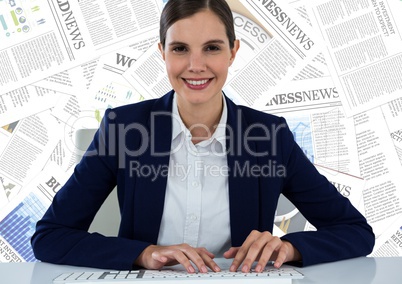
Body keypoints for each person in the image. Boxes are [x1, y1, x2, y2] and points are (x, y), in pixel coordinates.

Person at [31, 0, 374, 273]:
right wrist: (143, 254)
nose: (196, 65)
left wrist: (291, 247)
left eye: (211, 48)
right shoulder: (123, 129)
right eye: (180, 48)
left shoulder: (270, 136)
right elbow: (50, 237)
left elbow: (355, 231)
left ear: (233, 52)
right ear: (162, 52)